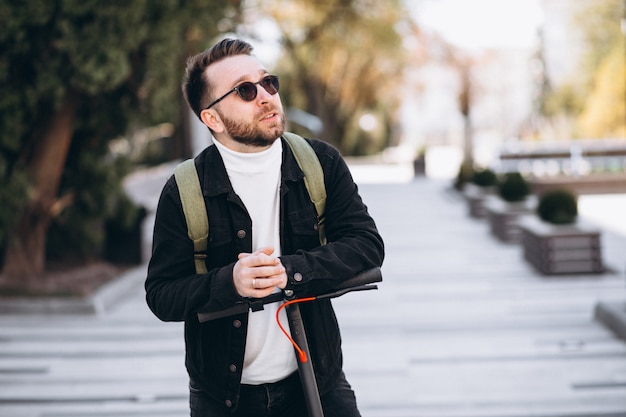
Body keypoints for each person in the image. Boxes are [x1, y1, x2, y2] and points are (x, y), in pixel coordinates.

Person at [145, 37, 384, 417]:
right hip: (224, 398)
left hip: (319, 384)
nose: (265, 96)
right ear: (212, 118)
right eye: (244, 90)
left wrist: (292, 271)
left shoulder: (320, 163)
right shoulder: (184, 190)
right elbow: (161, 294)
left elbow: (367, 245)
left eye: (268, 82)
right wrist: (229, 283)